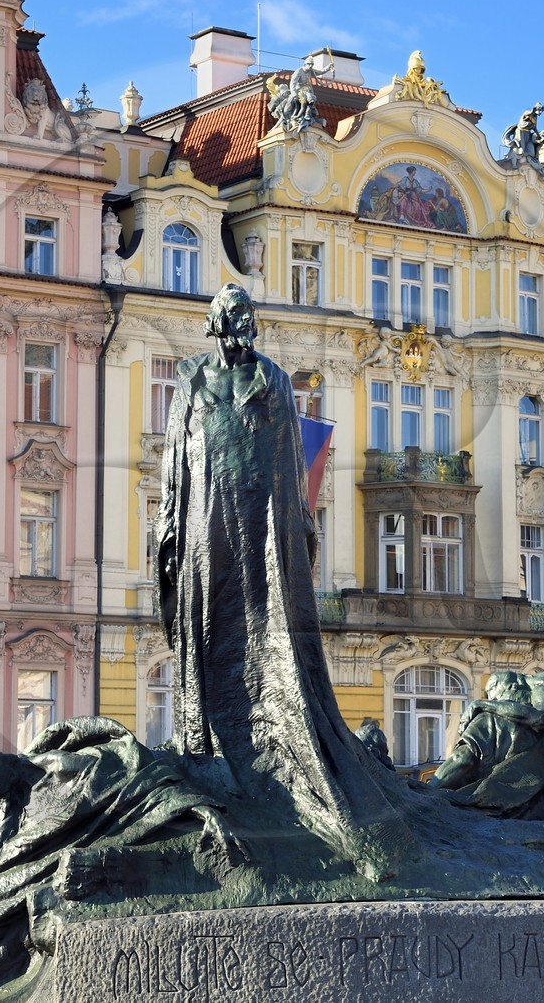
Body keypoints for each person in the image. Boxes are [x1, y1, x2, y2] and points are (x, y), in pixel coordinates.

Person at [156, 283, 414, 879]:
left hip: (260, 512)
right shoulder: (192, 376)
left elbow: (290, 458)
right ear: (217, 325)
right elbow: (174, 453)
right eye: (236, 318)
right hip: (205, 509)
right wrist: (170, 517)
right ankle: (208, 737)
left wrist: (298, 520)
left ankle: (271, 736)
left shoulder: (270, 378)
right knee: (208, 618)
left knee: (263, 616)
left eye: (250, 317)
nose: (245, 327)